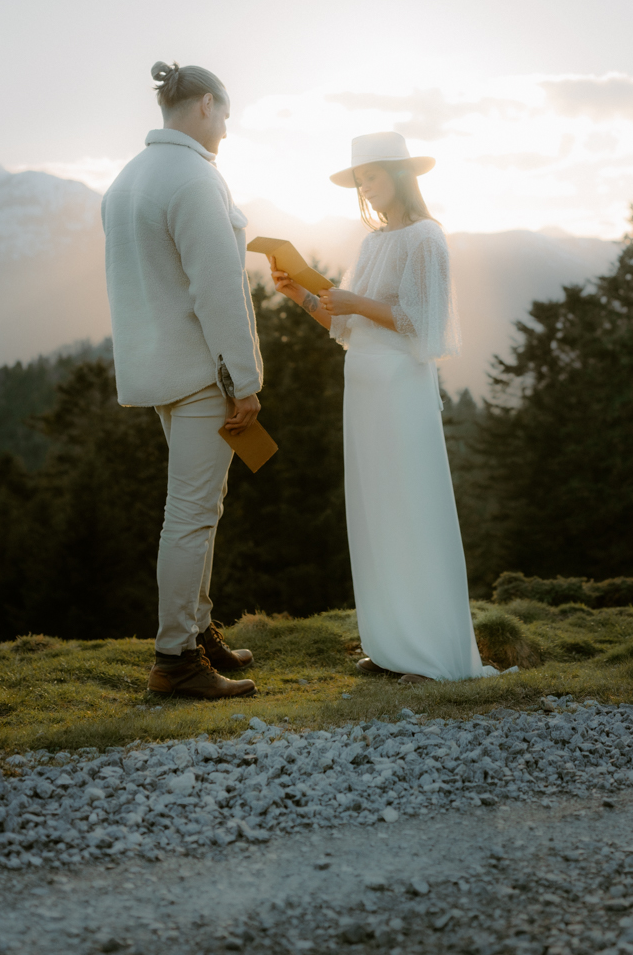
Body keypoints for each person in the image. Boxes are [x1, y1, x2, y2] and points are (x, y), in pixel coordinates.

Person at [270, 132, 490, 685]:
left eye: (371, 175)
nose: (365, 188)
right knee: (375, 511)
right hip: (363, 385)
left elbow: (426, 324)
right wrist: (299, 294)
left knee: (410, 505)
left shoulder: (426, 238)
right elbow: (344, 326)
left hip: (400, 385)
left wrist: (356, 302)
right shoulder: (371, 245)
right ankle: (391, 646)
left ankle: (429, 654)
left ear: (399, 174)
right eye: (359, 179)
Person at [101, 61, 262, 700]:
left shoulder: (126, 179)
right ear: (204, 106)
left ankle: (197, 629)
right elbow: (217, 291)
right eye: (225, 113)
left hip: (157, 370)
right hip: (202, 374)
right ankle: (176, 661)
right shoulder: (195, 178)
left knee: (200, 508)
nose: (226, 125)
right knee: (190, 515)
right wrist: (243, 379)